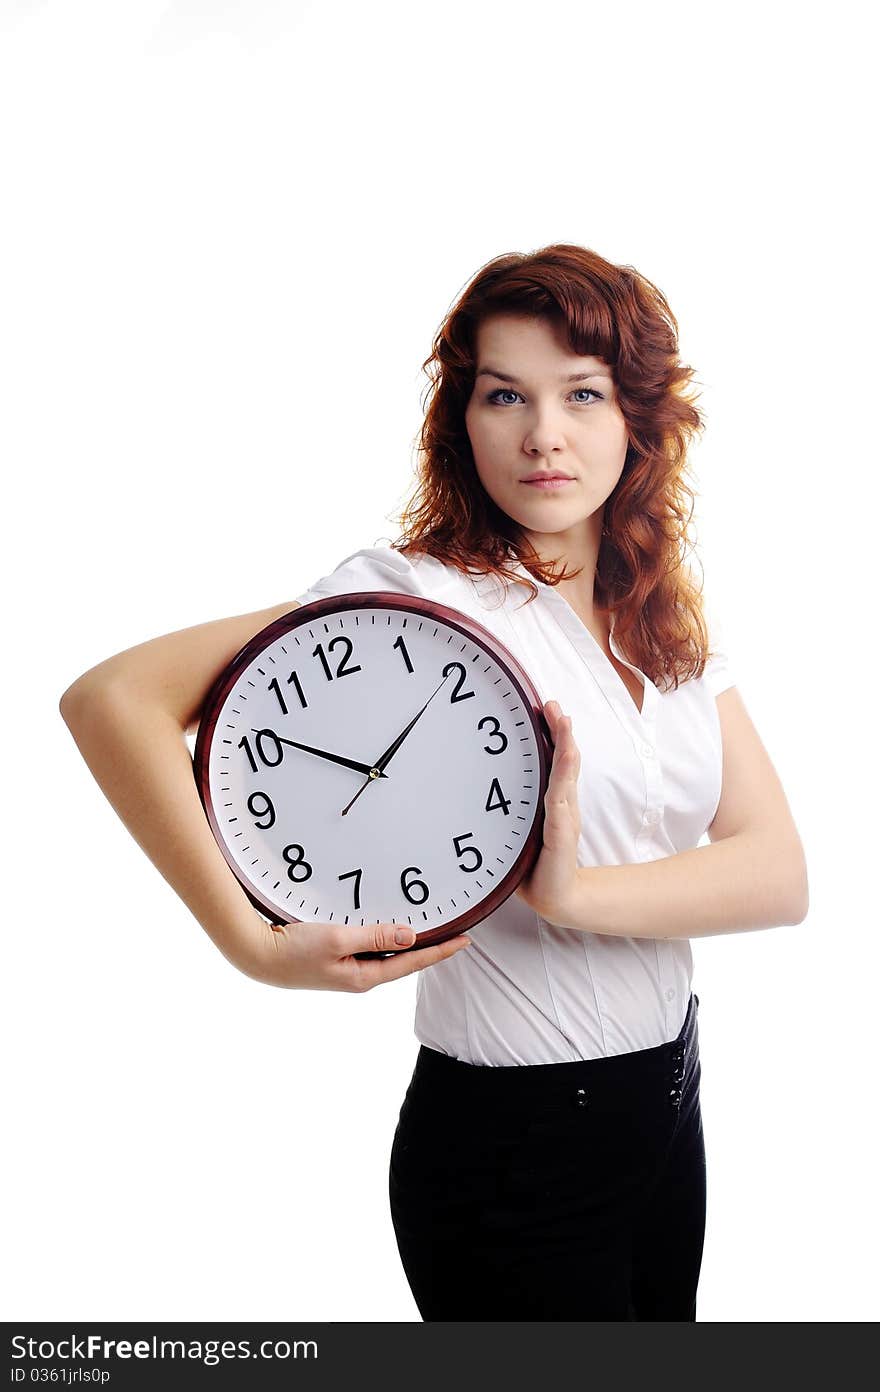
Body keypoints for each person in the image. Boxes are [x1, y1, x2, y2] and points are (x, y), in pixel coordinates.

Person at [59, 242, 808, 1322]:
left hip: (670, 1108)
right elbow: (113, 699)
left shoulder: (660, 612)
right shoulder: (410, 598)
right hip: (511, 1148)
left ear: (636, 418)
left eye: (580, 395)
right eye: (504, 394)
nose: (542, 434)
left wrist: (568, 895)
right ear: (463, 418)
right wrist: (256, 945)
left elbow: (777, 875)